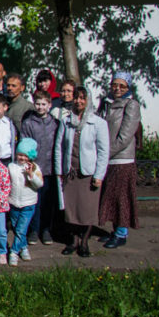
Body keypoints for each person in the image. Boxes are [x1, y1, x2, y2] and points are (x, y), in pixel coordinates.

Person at [54, 86, 110, 258]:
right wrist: (59, 171)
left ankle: (84, 242)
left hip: (88, 174)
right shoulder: (66, 121)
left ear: (88, 101)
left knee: (87, 210)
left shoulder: (98, 123)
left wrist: (99, 175)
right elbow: (59, 147)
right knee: (71, 209)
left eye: (82, 98)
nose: (78, 101)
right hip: (70, 172)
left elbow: (103, 151)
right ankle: (73, 241)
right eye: (76, 98)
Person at [97, 72, 141, 249]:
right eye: (115, 85)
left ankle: (121, 233)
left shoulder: (131, 105)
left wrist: (105, 153)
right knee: (112, 196)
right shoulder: (106, 103)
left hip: (122, 159)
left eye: (122, 86)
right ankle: (115, 230)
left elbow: (125, 136)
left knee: (122, 198)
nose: (117, 89)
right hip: (109, 159)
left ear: (128, 87)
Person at [20, 90, 60, 245]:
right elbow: (24, 143)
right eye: (38, 104)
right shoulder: (29, 123)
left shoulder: (55, 123)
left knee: (48, 201)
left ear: (49, 105)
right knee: (34, 201)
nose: (40, 107)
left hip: (50, 168)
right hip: (35, 168)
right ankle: (34, 230)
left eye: (44, 104)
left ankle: (46, 230)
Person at [7, 138, 44, 267]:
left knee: (22, 229)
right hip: (13, 202)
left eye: (25, 155)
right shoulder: (11, 166)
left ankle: (14, 252)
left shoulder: (34, 167)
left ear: (30, 156)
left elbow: (39, 184)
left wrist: (31, 175)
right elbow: (8, 183)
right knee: (18, 229)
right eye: (19, 154)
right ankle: (24, 247)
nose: (21, 157)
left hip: (28, 203)